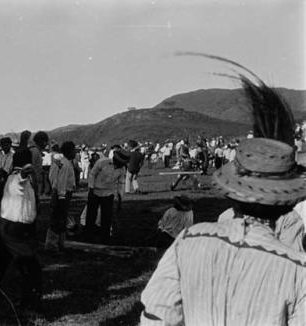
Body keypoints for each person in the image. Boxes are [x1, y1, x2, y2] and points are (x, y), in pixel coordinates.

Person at [141, 67, 306, 326]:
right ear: (286, 201)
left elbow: (156, 317)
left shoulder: (189, 240)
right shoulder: (297, 269)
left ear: (232, 191)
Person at [0, 149, 42, 311]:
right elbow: (18, 184)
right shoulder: (16, 178)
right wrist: (24, 173)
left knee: (0, 264)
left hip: (12, 227)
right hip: (15, 229)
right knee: (30, 268)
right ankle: (29, 304)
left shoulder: (19, 177)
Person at [84, 149, 129, 244]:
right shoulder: (102, 162)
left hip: (108, 194)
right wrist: (91, 188)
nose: (120, 166)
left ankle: (105, 238)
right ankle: (88, 236)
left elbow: (121, 183)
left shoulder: (122, 169)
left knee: (106, 217)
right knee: (91, 215)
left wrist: (120, 197)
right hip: (95, 192)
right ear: (114, 159)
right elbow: (92, 174)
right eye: (119, 163)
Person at [45, 141, 76, 251]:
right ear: (68, 151)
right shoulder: (65, 164)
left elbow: (52, 177)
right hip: (61, 194)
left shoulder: (59, 162)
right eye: (74, 150)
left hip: (57, 192)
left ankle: (60, 242)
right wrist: (61, 197)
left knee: (61, 218)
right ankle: (52, 244)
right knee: (58, 218)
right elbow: (61, 182)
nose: (75, 153)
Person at [29, 131, 49, 196]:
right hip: (32, 182)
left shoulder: (37, 151)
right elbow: (31, 167)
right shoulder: (35, 151)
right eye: (45, 142)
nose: (46, 144)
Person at [0, 137, 14, 204]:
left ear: (10, 145)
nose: (5, 147)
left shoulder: (12, 155)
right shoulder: (1, 155)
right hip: (0, 178)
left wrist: (0, 170)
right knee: (1, 197)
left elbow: (7, 169)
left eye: (6, 145)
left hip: (8, 179)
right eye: (3, 145)